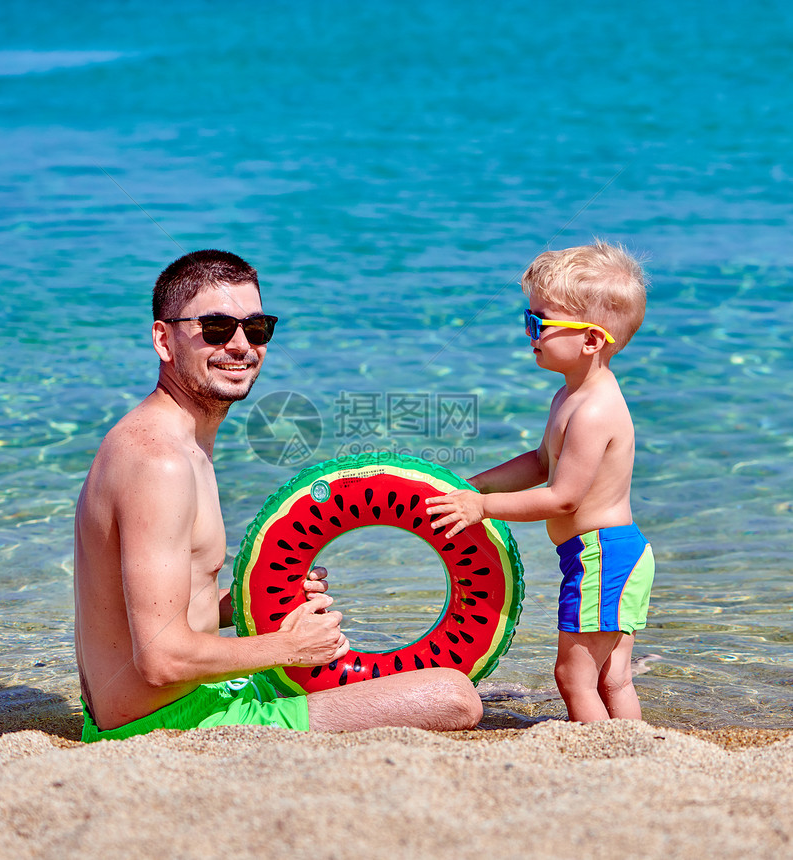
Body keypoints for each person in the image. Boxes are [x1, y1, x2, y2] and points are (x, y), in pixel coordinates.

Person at [74, 249, 482, 741]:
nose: (241, 345)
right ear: (164, 339)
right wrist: (288, 648)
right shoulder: (158, 462)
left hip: (187, 701)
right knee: (454, 695)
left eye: (257, 328)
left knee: (408, 681)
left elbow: (173, 610)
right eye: (217, 328)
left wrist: (257, 602)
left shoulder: (174, 443)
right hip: (162, 725)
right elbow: (161, 659)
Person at [426, 241, 654, 722]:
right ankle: (633, 753)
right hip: (609, 553)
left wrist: (482, 509)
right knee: (610, 677)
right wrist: (472, 485)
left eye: (539, 324)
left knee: (574, 678)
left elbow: (564, 497)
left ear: (591, 340)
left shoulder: (593, 410)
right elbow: (538, 461)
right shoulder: (571, 394)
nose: (529, 333)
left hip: (602, 554)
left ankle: (597, 758)